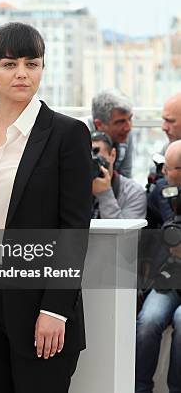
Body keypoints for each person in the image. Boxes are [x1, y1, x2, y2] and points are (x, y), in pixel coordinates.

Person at [0, 22, 92, 393]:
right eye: (10, 64)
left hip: (38, 301)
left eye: (32, 63)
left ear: (42, 67)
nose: (22, 73)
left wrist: (56, 308)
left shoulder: (67, 134)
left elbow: (74, 228)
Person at [136, 140, 181, 393]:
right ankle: (138, 387)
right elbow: (169, 234)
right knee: (149, 321)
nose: (164, 173)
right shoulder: (163, 191)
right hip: (169, 277)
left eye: (170, 168)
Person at [91, 131, 146, 219]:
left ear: (112, 155)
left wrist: (104, 194)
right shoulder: (73, 187)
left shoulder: (132, 192)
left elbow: (124, 232)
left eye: (96, 153)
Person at [91, 89, 134, 178]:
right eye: (120, 122)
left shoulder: (125, 134)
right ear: (98, 124)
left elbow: (126, 178)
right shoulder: (78, 135)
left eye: (130, 118)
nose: (128, 127)